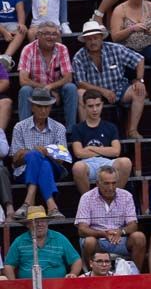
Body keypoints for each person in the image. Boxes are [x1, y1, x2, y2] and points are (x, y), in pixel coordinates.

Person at [72, 20, 147, 139]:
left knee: (139, 90)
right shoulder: (79, 56)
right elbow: (80, 82)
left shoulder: (115, 48)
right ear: (85, 41)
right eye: (89, 39)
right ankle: (85, 131)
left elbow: (139, 60)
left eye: (95, 38)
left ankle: (132, 131)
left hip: (119, 88)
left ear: (101, 37)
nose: (93, 42)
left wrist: (139, 80)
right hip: (94, 93)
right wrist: (103, 92)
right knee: (80, 93)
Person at [10, 86, 69, 218]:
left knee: (43, 160)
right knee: (41, 161)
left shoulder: (59, 128)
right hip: (24, 171)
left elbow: (61, 159)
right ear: (32, 107)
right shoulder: (20, 127)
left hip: (54, 170)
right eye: (39, 106)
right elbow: (15, 159)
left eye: (47, 106)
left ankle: (28, 202)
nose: (43, 110)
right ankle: (52, 206)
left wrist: (47, 152)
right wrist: (32, 153)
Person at [74, 165, 145, 268]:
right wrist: (102, 234)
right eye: (106, 183)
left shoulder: (126, 196)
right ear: (98, 183)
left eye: (114, 183)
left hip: (120, 239)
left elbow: (133, 225)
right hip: (98, 240)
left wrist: (121, 231)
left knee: (139, 237)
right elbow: (82, 229)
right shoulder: (87, 198)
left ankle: (135, 275)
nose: (111, 187)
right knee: (89, 241)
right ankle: (91, 274)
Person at [70, 89, 133, 193]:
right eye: (90, 106)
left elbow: (116, 151)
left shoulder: (110, 127)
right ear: (84, 106)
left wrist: (91, 148)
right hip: (88, 164)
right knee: (78, 167)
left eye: (98, 105)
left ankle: (115, 199)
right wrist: (105, 150)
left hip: (108, 162)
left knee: (126, 162)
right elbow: (78, 153)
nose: (95, 109)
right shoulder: (77, 128)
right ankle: (88, 202)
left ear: (102, 105)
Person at [17, 22, 75, 127]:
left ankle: (71, 132)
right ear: (38, 35)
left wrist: (50, 87)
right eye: (47, 33)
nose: (51, 37)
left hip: (57, 89)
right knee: (25, 90)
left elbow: (68, 77)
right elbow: (23, 80)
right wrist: (46, 89)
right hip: (36, 90)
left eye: (54, 34)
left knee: (71, 88)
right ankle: (23, 130)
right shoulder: (28, 49)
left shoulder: (62, 49)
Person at [2, 205, 82, 279]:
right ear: (28, 224)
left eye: (43, 221)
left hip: (58, 288)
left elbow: (76, 261)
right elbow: (9, 265)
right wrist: (14, 286)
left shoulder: (59, 238)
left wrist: (72, 274)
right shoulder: (19, 241)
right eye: (35, 221)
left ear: (47, 222)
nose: (40, 224)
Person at [0, 0, 27, 64]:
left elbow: (20, 10)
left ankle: (6, 57)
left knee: (22, 30)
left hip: (11, 22)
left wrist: (21, 24)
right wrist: (4, 32)